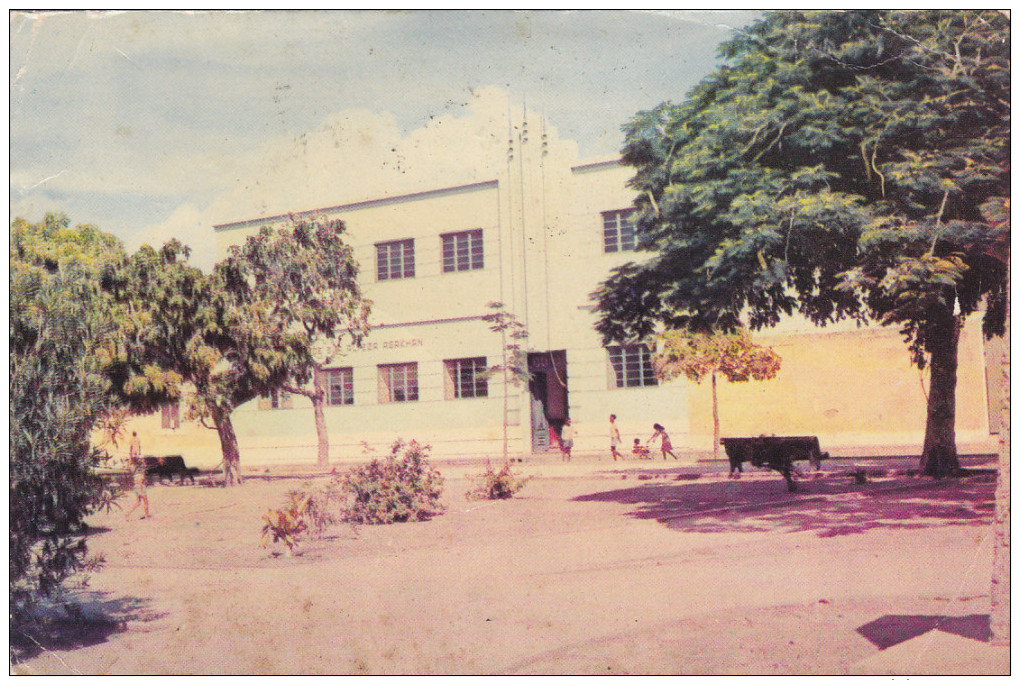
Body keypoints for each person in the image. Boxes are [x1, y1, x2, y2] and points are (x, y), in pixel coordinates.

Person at [124, 431, 151, 520]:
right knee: (145, 501)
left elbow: (131, 450)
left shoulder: (135, 470)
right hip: (139, 486)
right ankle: (147, 517)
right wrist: (138, 454)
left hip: (136, 486)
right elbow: (137, 449)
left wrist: (131, 455)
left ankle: (127, 513)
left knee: (138, 502)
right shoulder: (140, 470)